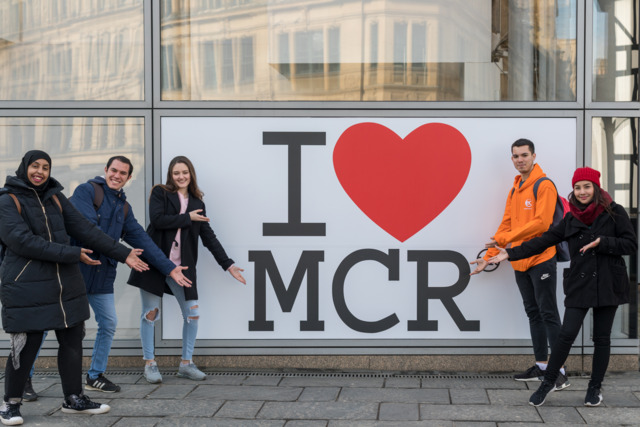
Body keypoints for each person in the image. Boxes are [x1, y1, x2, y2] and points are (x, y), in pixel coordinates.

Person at [0, 150, 149, 425]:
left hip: (65, 281)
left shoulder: (55, 198)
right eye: (35, 166)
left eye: (45, 167)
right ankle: (11, 404)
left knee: (72, 340)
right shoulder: (7, 200)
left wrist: (123, 253)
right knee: (26, 345)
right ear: (24, 167)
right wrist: (72, 253)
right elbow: (21, 241)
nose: (40, 172)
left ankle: (73, 399)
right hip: (27, 283)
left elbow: (85, 229)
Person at [489, 167, 637, 407]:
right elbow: (543, 241)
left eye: (586, 186)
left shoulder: (615, 211)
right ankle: (548, 382)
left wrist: (602, 242)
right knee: (566, 335)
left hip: (608, 282)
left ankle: (594, 388)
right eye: (577, 187)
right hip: (580, 283)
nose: (582, 192)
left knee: (601, 338)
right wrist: (510, 253)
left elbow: (631, 244)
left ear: (596, 188)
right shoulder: (571, 218)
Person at [66, 156, 192, 393]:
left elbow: (143, 240)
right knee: (52, 325)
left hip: (102, 275)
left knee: (109, 323)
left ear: (129, 177)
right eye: (114, 170)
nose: (117, 176)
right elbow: (88, 231)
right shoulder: (86, 191)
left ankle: (95, 376)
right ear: (106, 169)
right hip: (74, 272)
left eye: (123, 173)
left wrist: (169, 268)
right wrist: (125, 254)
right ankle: (26, 379)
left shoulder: (123, 207)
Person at [128, 155, 246, 384]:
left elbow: (208, 237)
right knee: (150, 314)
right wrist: (187, 218)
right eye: (176, 173)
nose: (181, 176)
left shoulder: (197, 203)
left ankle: (186, 364)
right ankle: (150, 363)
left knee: (192, 314)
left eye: (185, 172)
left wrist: (228, 265)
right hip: (154, 263)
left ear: (191, 174)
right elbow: (157, 220)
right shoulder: (161, 193)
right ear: (171, 176)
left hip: (181, 268)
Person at [470, 139, 568, 388]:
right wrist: (489, 256)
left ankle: (559, 372)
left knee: (548, 313)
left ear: (534, 156)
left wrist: (506, 239)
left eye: (524, 155)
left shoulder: (544, 185)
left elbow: (542, 223)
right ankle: (542, 366)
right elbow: (506, 224)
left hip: (542, 258)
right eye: (515, 156)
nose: (520, 160)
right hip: (519, 261)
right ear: (512, 159)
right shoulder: (515, 189)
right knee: (533, 313)